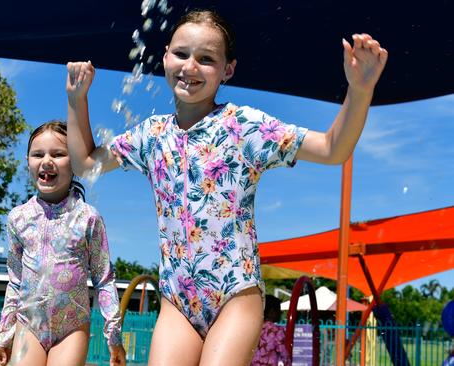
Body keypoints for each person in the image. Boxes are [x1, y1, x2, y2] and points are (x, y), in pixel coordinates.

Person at [66, 8, 387, 365]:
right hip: (177, 299)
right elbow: (85, 164)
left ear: (227, 70)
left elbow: (332, 149)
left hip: (234, 294)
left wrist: (360, 90)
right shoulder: (151, 134)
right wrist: (77, 99)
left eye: (206, 60)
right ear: (166, 55)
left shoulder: (244, 126)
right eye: (182, 54)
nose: (190, 67)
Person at [0, 121, 126, 366]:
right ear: (28, 161)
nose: (47, 161)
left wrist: (113, 334)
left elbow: (104, 279)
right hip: (29, 323)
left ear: (75, 161)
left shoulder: (88, 217)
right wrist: (3, 333)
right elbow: (15, 280)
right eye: (38, 154)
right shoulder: (18, 218)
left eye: (58, 154)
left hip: (71, 328)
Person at [251, 295, 290, 366]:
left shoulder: (252, 328)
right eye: (279, 310)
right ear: (272, 312)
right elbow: (285, 356)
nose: (281, 313)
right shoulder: (276, 331)